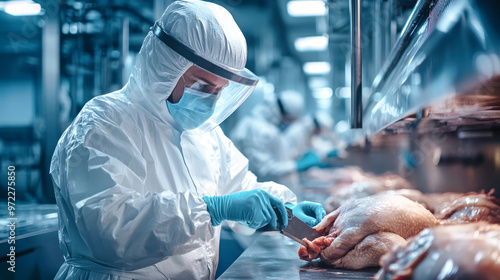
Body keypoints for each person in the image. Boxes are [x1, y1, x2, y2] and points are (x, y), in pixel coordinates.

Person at [49, 1, 326, 279]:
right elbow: (111, 231)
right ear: (165, 67)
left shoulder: (204, 134)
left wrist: (285, 211)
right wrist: (214, 209)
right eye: (203, 86)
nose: (211, 100)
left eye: (219, 90)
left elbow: (241, 186)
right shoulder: (105, 123)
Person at [230, 90, 328, 192]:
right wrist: (297, 165)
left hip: (270, 191)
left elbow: (278, 158)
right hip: (259, 192)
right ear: (279, 111)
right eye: (289, 119)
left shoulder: (267, 127)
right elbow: (263, 170)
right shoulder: (257, 129)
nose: (289, 124)